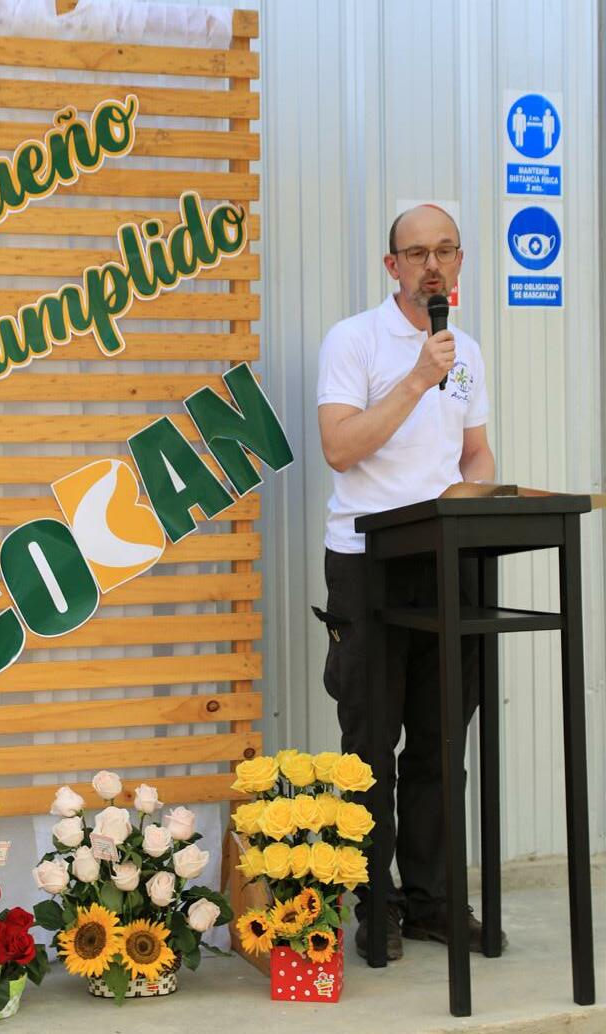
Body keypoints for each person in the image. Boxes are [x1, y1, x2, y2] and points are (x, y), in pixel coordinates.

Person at [316, 204, 503, 961]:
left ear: (459, 263)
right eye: (417, 253)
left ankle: (432, 902)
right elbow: (339, 447)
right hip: (369, 562)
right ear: (392, 265)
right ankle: (376, 906)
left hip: (445, 557)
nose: (433, 265)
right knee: (371, 743)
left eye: (445, 251)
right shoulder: (354, 340)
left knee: (439, 739)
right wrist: (419, 378)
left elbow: (476, 455)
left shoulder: (469, 351)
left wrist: (464, 497)